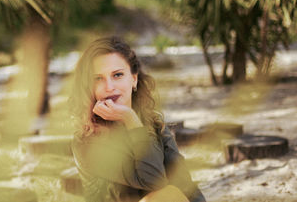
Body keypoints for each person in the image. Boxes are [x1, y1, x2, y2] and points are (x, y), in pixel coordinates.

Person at [70, 36, 206, 202]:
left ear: (133, 79)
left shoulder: (154, 123)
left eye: (117, 75)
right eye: (98, 78)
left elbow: (185, 184)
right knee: (166, 194)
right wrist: (130, 119)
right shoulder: (86, 141)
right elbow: (154, 181)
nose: (109, 87)